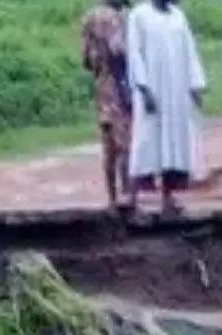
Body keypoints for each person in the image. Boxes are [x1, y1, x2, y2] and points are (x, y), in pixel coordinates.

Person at [125, 0, 206, 215]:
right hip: (152, 90)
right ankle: (131, 197)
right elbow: (135, 54)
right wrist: (143, 88)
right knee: (145, 142)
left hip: (176, 91)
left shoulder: (178, 16)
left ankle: (167, 198)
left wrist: (195, 85)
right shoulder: (139, 15)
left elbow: (190, 52)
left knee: (173, 145)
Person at [81, 0, 133, 207]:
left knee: (108, 145)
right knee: (126, 141)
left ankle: (112, 197)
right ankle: (127, 194)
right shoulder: (117, 18)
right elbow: (119, 51)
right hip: (120, 85)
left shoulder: (88, 18)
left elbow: (84, 60)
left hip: (101, 85)